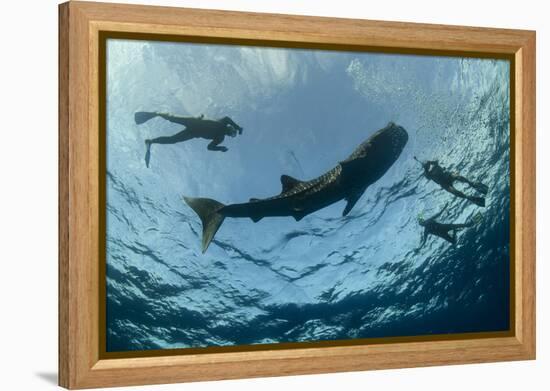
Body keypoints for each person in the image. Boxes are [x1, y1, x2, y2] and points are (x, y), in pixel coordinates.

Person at [134, 111, 243, 167]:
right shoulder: (223, 123)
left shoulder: (220, 138)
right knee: (171, 118)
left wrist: (220, 148)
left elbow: (209, 147)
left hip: (193, 132)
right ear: (231, 127)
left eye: (233, 134)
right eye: (233, 131)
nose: (232, 133)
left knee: (173, 140)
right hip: (194, 121)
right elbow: (228, 118)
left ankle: (151, 141)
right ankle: (156, 113)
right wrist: (238, 127)